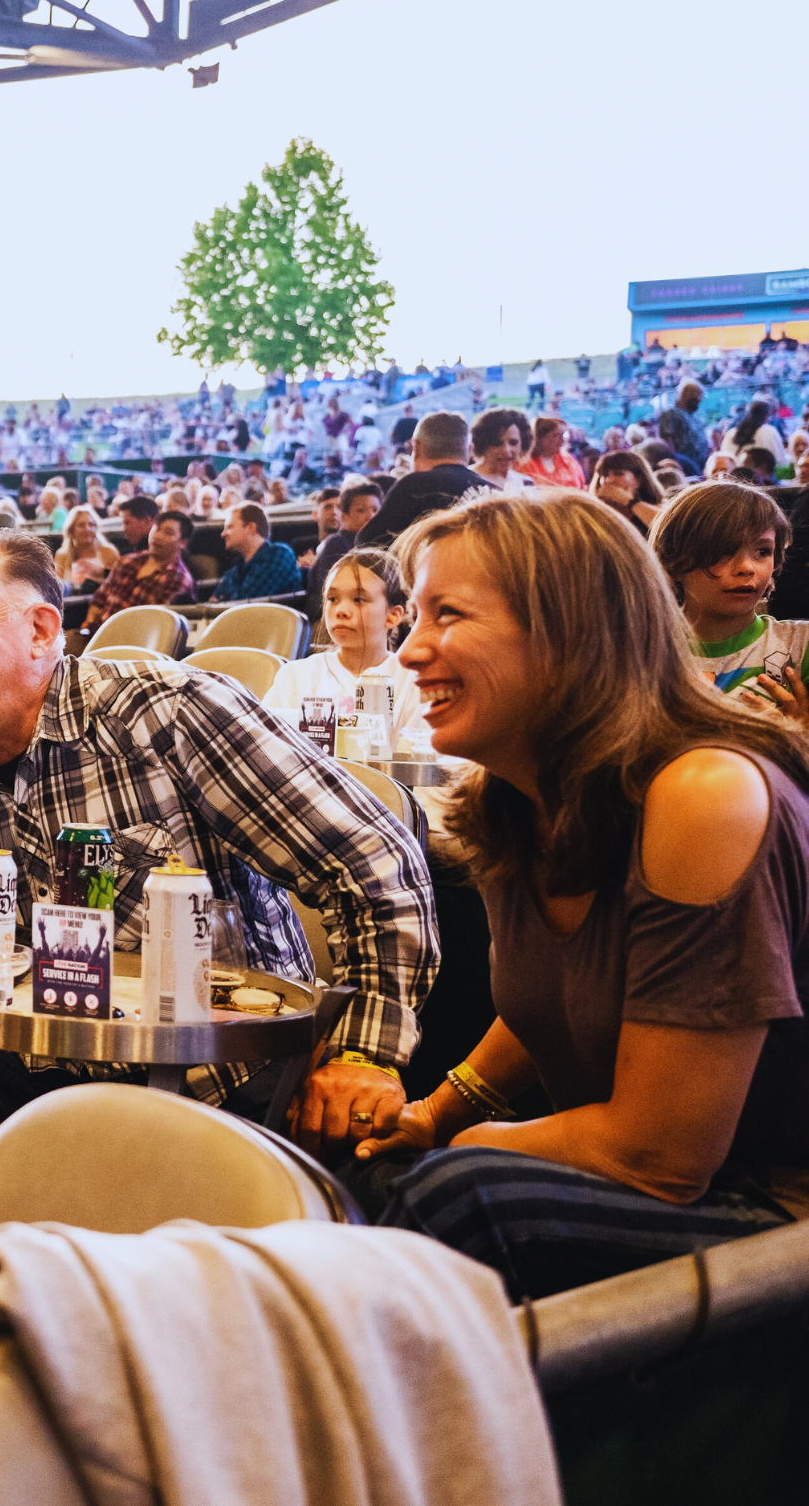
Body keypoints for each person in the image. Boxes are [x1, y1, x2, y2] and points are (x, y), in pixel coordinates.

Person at [0, 532, 436, 1350]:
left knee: (358, 1181)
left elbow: (374, 861)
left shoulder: (166, 713)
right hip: (31, 1077)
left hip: (221, 1070)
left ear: (40, 630)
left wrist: (362, 1052)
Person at [352, 493, 809, 1299]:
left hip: (774, 1215)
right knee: (356, 1168)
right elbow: (573, 996)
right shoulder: (507, 802)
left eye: (446, 616)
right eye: (413, 617)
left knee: (462, 1199)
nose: (409, 651)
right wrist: (434, 1112)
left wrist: (472, 1144)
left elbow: (660, 1157)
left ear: (570, 632)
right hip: (661, 1199)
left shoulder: (703, 795)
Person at [649, 481, 809, 719]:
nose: (746, 567)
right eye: (724, 551)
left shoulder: (801, 645)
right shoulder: (644, 655)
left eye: (762, 551)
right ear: (674, 562)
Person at [269, 548, 426, 735]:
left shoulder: (412, 681)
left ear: (392, 616)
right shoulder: (296, 676)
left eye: (358, 600)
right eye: (333, 599)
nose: (341, 610)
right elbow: (270, 742)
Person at [356, 412, 488, 547]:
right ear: (470, 450)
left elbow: (367, 546)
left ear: (416, 447)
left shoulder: (413, 487)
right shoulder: (493, 492)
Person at [78, 507, 196, 633]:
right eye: (156, 529)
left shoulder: (178, 579)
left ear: (183, 543)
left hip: (132, 642)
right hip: (97, 632)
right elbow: (100, 598)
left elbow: (156, 626)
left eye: (168, 532)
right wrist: (88, 624)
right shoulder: (127, 561)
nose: (158, 536)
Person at [304, 482, 383, 613]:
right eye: (361, 510)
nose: (371, 516)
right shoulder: (336, 544)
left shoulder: (378, 544)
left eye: (375, 510)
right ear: (344, 515)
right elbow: (332, 593)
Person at [211, 503, 299, 601]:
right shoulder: (237, 568)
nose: (223, 534)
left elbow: (246, 604)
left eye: (230, 527)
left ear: (251, 528)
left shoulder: (279, 554)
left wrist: (224, 600)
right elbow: (213, 602)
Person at [592, 450, 664, 537]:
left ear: (639, 480)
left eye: (618, 474)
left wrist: (630, 501)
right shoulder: (599, 512)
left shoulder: (656, 507)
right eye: (605, 475)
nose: (609, 480)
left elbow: (665, 526)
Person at [469, 408, 536, 492]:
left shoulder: (526, 484)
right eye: (497, 443)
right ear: (482, 444)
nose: (506, 450)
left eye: (513, 443)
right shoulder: (466, 481)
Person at [54, 504, 118, 593]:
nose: (87, 529)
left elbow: (119, 585)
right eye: (81, 525)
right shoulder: (62, 555)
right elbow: (57, 588)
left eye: (91, 525)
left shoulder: (108, 551)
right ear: (71, 530)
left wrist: (100, 574)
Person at [655, 381, 709, 478]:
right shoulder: (670, 414)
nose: (700, 400)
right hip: (683, 468)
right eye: (698, 397)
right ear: (688, 396)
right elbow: (667, 440)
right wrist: (675, 463)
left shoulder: (693, 417)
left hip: (699, 468)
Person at [521, 416, 585, 489]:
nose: (561, 439)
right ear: (541, 438)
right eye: (555, 435)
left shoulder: (569, 461)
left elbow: (581, 486)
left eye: (563, 435)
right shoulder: (526, 465)